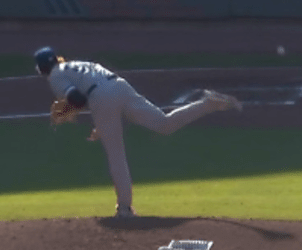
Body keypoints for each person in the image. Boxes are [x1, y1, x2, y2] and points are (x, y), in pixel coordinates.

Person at [33, 46, 242, 218]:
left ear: (42, 69)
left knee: (116, 152)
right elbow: (96, 93)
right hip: (120, 86)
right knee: (164, 123)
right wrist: (100, 121)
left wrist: (72, 107)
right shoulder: (80, 64)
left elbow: (79, 98)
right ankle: (207, 104)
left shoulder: (55, 76)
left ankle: (124, 208)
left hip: (102, 96)